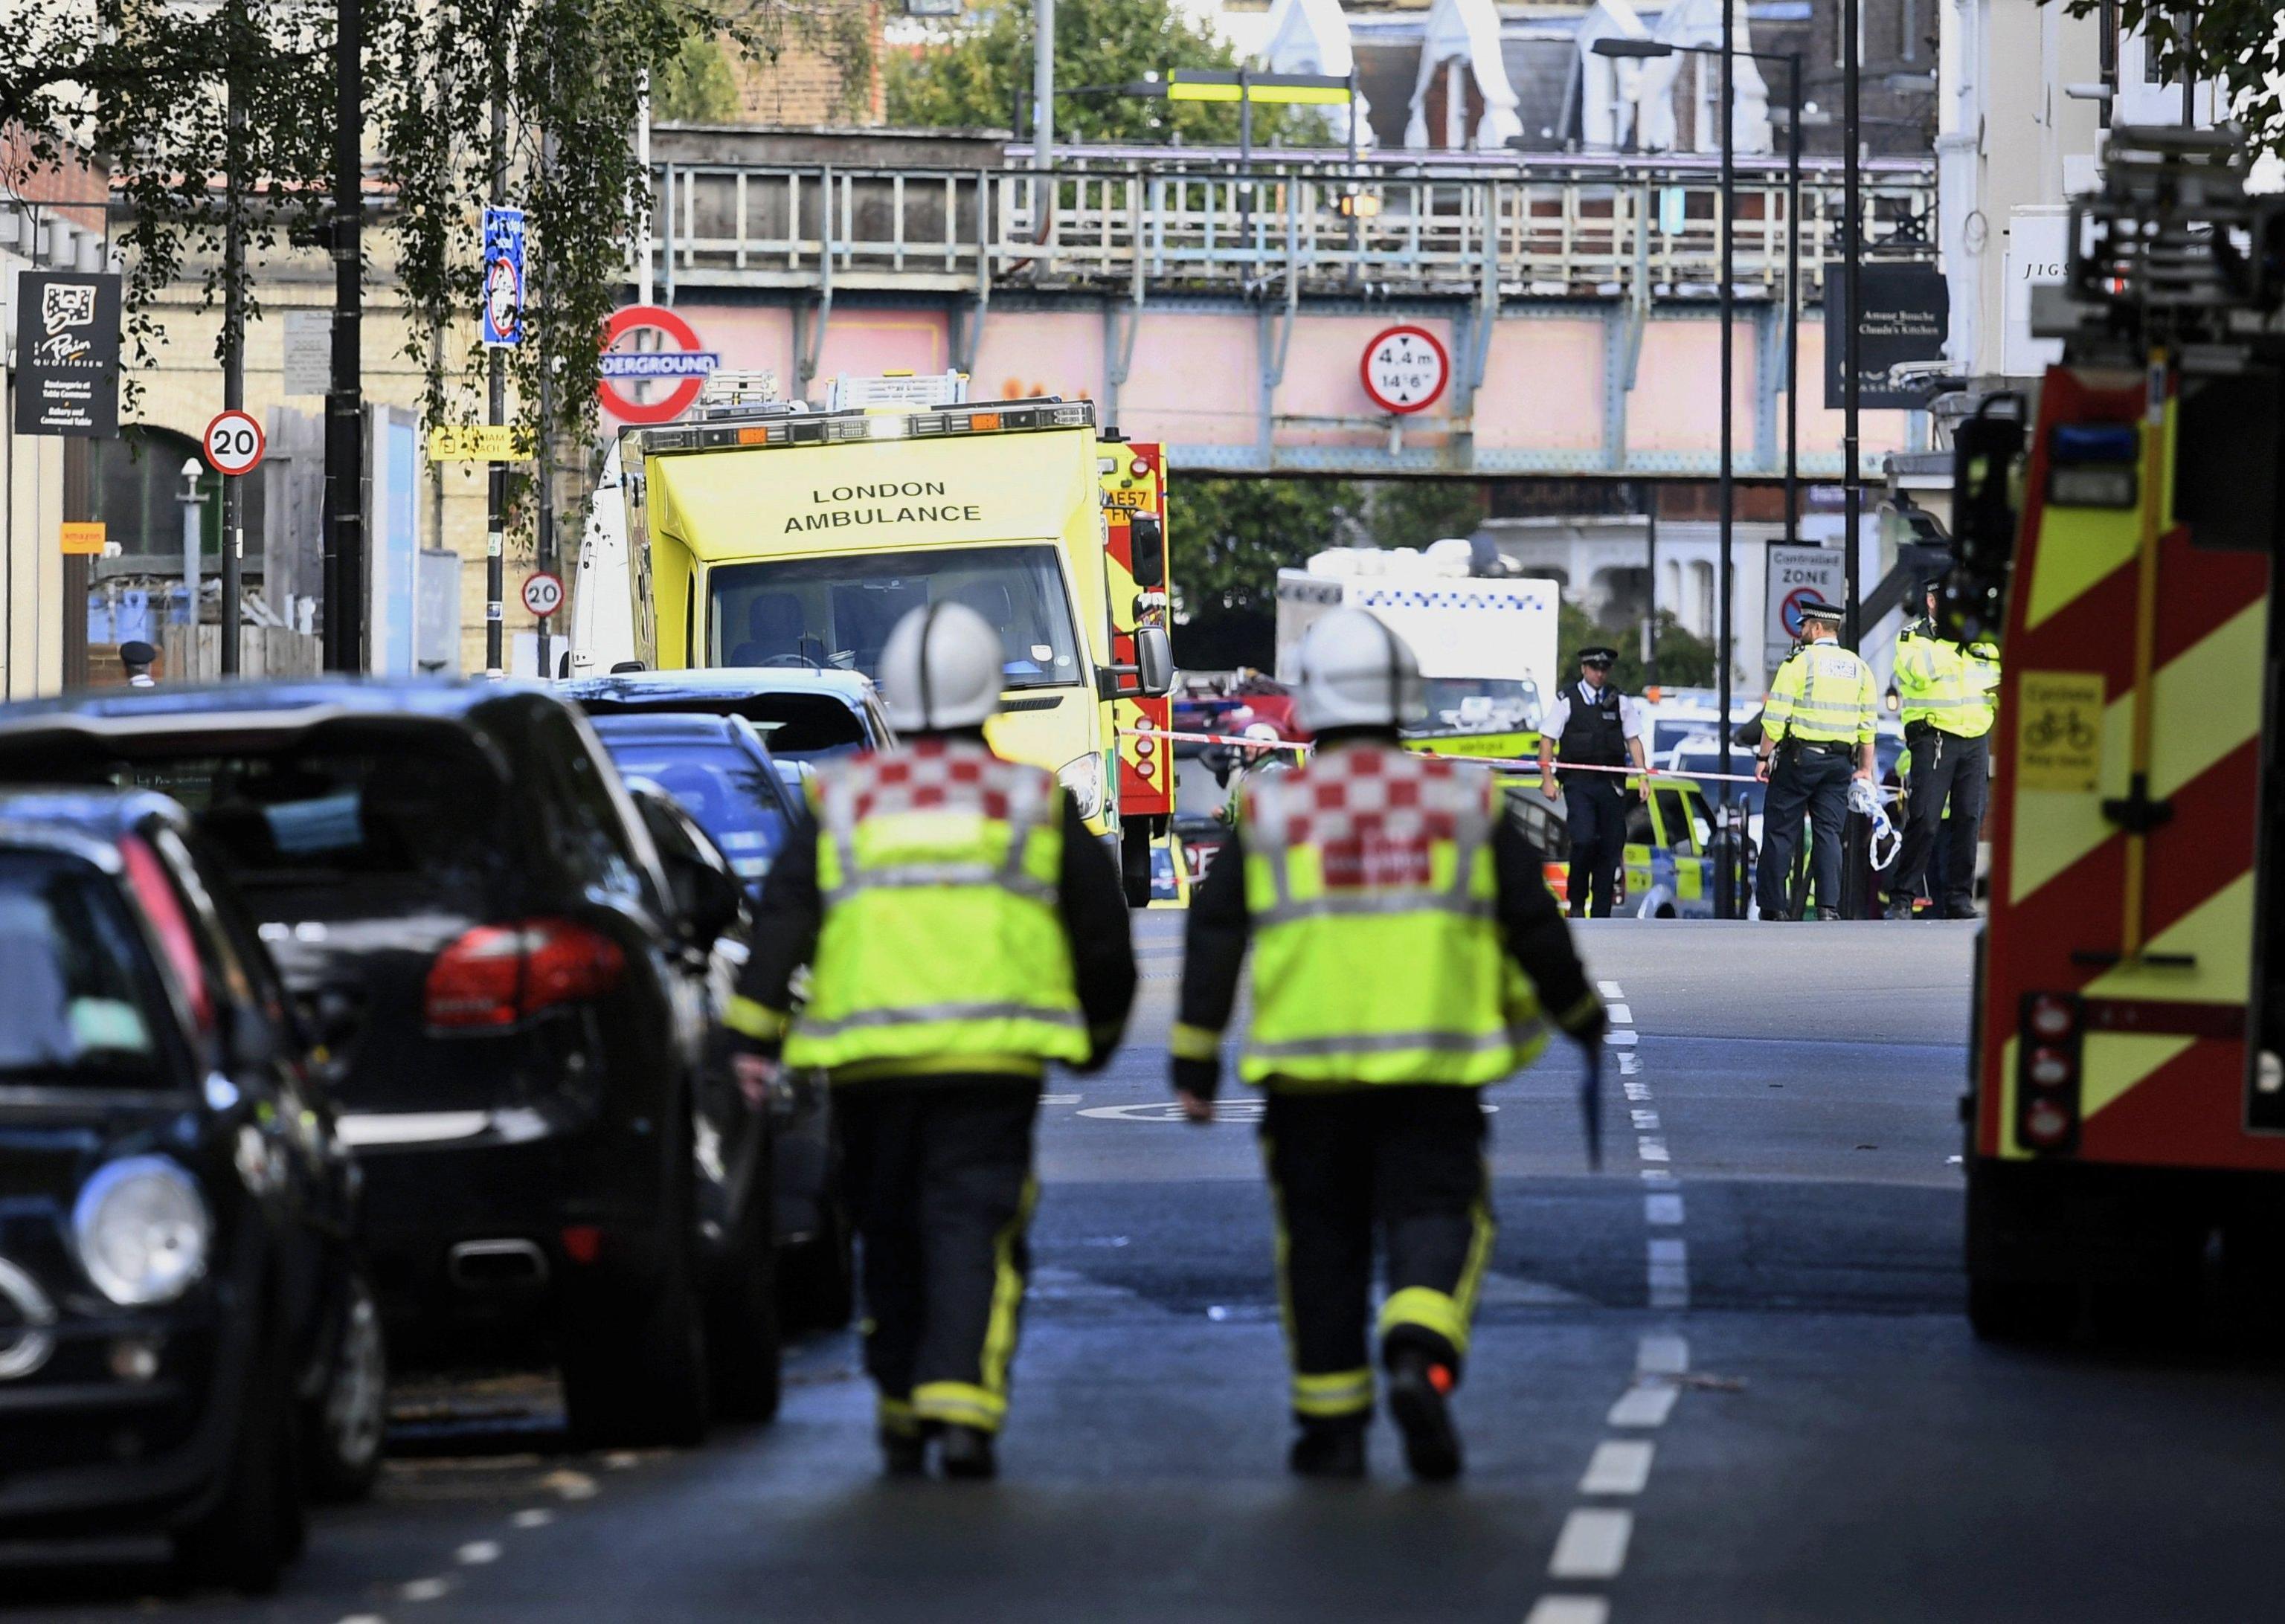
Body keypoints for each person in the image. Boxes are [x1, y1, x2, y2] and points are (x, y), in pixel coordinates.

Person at [1172, 609, 1606, 1483]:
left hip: (1307, 1082)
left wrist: (1193, 1059)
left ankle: (1331, 1431)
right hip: (1432, 1078)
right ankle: (1419, 1350)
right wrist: (1580, 1017)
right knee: (1438, 1219)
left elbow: (1215, 938)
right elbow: (1534, 924)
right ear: (1405, 701)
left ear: (1308, 709)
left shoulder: (1270, 808)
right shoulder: (1464, 802)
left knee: (1320, 1248)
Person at [724, 602, 1137, 1481]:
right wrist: (1098, 1037)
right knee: (974, 1223)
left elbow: (781, 924)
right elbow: (1100, 936)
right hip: (993, 1063)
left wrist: (749, 1041)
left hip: (868, 1066)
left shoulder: (840, 801)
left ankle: (901, 1400)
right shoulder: (1033, 801)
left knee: (888, 1226)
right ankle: (963, 1402)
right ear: (989, 692)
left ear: (897, 703)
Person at [1755, 599, 1877, 921]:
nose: (1803, 631)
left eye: (1806, 625)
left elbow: (1775, 717)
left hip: (1800, 760)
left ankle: (1773, 906)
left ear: (1819, 627)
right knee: (1829, 833)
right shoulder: (1859, 667)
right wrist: (1864, 769)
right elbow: (1868, 726)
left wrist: (1763, 757)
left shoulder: (1800, 663)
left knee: (1781, 831)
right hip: (1840, 764)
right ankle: (1828, 907)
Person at [1885, 581, 1996, 920]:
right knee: (1925, 819)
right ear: (1931, 601)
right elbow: (1921, 673)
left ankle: (1959, 899)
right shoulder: (1913, 638)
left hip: (1975, 736)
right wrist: (1956, 644)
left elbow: (1995, 676)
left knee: (1968, 818)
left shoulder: (1980, 638)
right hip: (1934, 738)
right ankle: (1903, 898)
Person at [1536, 645, 1650, 919]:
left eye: (1604, 669)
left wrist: (1642, 775)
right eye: (1594, 668)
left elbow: (1633, 739)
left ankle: (1601, 911)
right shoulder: (1567, 699)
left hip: (1611, 784)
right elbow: (1547, 740)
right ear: (1584, 669)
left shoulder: (1619, 700)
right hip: (1579, 783)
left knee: (1611, 846)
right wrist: (1547, 779)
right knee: (1584, 840)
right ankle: (1577, 902)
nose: (1600, 674)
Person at [1217, 721, 1290, 829]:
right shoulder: (1247, 775)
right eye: (1246, 745)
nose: (1246, 749)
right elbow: (1236, 810)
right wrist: (1224, 814)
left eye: (1251, 745)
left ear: (1266, 747)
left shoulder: (1281, 773)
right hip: (1250, 842)